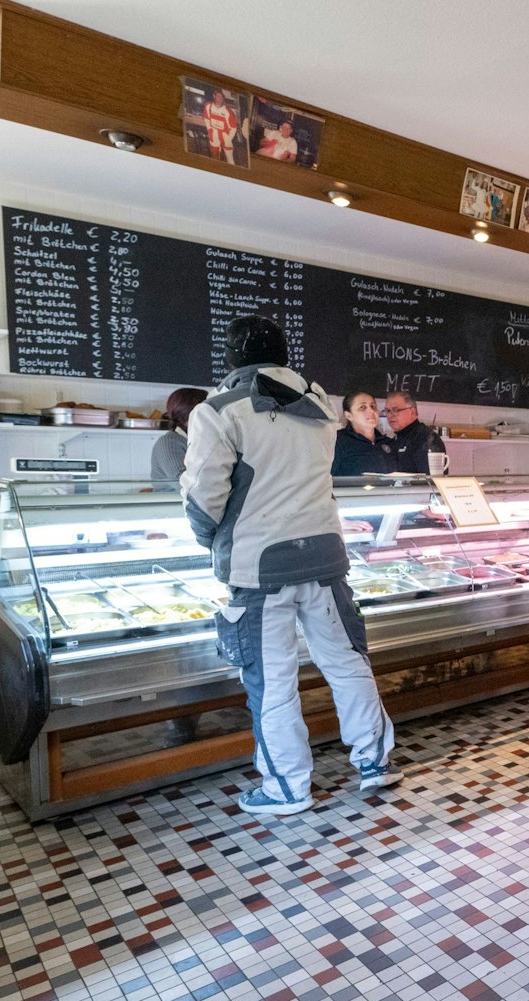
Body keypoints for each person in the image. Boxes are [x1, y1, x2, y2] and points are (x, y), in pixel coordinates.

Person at [182, 315, 398, 816]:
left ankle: (286, 788)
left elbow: (201, 501)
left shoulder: (218, 412)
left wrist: (213, 541)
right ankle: (375, 761)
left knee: (272, 679)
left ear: (232, 358)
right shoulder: (321, 407)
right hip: (325, 556)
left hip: (260, 568)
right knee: (347, 662)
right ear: (283, 356)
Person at [150, 387, 208, 484]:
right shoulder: (169, 442)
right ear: (191, 414)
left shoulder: (196, 439)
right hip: (172, 499)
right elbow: (186, 485)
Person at [381, 390, 448, 474]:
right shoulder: (395, 439)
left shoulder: (426, 438)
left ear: (412, 412)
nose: (390, 415)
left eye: (396, 410)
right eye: (387, 411)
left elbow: (431, 481)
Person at [332, 390, 397, 475]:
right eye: (362, 407)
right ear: (349, 415)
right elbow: (326, 480)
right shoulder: (337, 441)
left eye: (373, 406)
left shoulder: (389, 442)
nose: (370, 411)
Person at [202, 87, 240, 162]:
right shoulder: (208, 106)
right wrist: (209, 130)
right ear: (214, 95)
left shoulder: (228, 111)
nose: (220, 98)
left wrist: (229, 138)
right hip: (214, 135)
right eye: (218, 95)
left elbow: (234, 127)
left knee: (230, 159)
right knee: (215, 157)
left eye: (222, 96)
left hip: (225, 136)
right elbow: (206, 118)